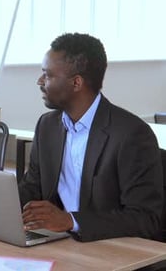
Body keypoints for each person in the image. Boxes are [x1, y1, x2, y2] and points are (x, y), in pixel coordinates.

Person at [19, 32, 164, 242]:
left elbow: (145, 218)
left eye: (48, 75)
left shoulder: (131, 134)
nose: (40, 81)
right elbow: (32, 187)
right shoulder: (47, 125)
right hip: (60, 242)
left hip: (109, 247)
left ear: (76, 83)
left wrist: (71, 220)